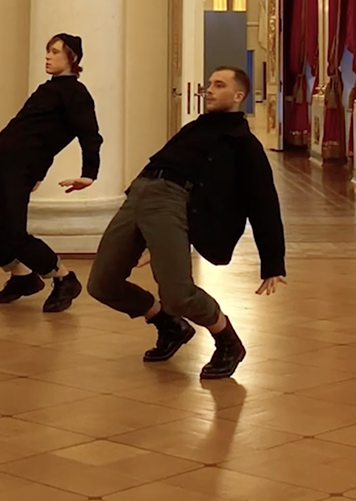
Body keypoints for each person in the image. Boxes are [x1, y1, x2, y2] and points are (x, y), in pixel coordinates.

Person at [87, 66, 286, 380]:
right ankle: (168, 325)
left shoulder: (244, 144)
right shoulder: (195, 127)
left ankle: (227, 341)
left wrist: (273, 261)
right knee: (102, 283)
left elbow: (264, 203)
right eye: (210, 84)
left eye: (219, 85)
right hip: (139, 194)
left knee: (178, 295)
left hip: (171, 201)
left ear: (238, 95)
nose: (210, 90)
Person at [0, 33, 102, 312]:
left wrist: (89, 173)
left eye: (55, 52)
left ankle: (63, 278)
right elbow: (33, 130)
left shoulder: (77, 94)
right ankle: (22, 276)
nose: (47, 56)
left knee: (14, 233)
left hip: (18, 169)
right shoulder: (46, 89)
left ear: (72, 58)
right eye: (47, 51)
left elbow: (90, 135)